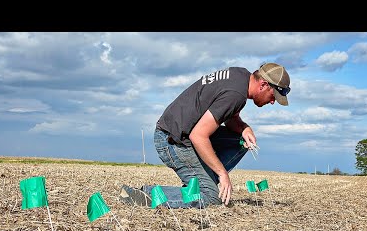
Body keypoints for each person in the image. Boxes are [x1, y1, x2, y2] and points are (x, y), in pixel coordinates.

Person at [119, 62, 291, 208]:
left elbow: (228, 116)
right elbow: (198, 135)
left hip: (178, 134)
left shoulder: (240, 76)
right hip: (172, 141)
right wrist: (223, 174)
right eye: (273, 95)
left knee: (241, 141)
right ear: (263, 85)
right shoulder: (236, 95)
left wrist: (244, 128)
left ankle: (204, 178)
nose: (272, 101)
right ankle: (145, 195)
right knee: (210, 197)